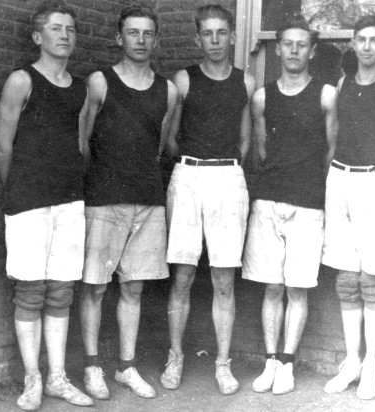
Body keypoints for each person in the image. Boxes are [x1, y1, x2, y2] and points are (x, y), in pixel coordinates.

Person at [0, 1, 94, 410]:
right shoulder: (21, 80)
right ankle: (32, 379)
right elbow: (3, 146)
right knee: (30, 291)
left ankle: (56, 377)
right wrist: (18, 191)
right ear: (38, 36)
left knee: (61, 290)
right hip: (28, 202)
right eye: (56, 28)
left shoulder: (83, 88)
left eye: (70, 29)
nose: (65, 35)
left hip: (69, 201)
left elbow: (81, 145)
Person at [79, 4, 177, 401]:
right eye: (132, 33)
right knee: (95, 287)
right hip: (105, 198)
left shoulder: (166, 90)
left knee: (133, 288)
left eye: (147, 33)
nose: (140, 40)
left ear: (155, 39)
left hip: (147, 199)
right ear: (119, 38)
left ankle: (126, 366)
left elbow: (158, 146)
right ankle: (91, 366)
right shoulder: (100, 82)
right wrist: (101, 180)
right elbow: (82, 142)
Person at [160, 4, 255, 396]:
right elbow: (169, 136)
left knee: (223, 277)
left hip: (228, 176)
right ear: (198, 38)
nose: (215, 41)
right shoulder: (184, 80)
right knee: (182, 273)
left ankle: (222, 362)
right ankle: (176, 355)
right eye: (208, 34)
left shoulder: (245, 83)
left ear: (232, 36)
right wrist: (194, 164)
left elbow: (247, 140)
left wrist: (223, 167)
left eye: (222, 33)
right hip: (188, 175)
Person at [242, 14, 338, 395]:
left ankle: (288, 364)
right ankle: (269, 361)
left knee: (298, 288)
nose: (294, 50)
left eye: (302, 44)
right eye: (288, 44)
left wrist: (311, 186)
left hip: (309, 201)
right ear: (277, 48)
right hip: (269, 199)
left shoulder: (326, 94)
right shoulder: (262, 97)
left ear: (312, 51)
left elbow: (331, 149)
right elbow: (262, 149)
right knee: (272, 287)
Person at [322, 14, 375, 400]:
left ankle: (371, 362)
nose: (368, 46)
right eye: (362, 39)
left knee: (373, 279)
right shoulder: (341, 84)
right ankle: (352, 360)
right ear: (353, 44)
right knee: (346, 278)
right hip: (342, 179)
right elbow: (336, 135)